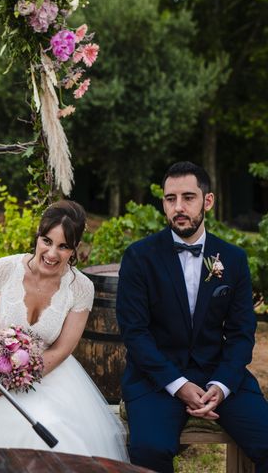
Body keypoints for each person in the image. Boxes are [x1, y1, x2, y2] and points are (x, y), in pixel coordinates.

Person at [0, 200, 128, 461]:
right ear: (37, 234)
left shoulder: (80, 288)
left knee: (49, 430)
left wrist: (14, 380)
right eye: (47, 241)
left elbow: (62, 348)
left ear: (75, 248)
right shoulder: (3, 269)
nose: (52, 253)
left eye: (63, 246)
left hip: (49, 377)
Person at [116, 161, 268, 472]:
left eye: (188, 197)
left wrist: (223, 385)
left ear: (207, 201)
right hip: (157, 378)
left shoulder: (233, 260)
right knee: (149, 450)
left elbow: (241, 332)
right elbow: (135, 332)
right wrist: (179, 384)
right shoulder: (138, 257)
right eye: (171, 199)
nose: (179, 207)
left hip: (219, 373)